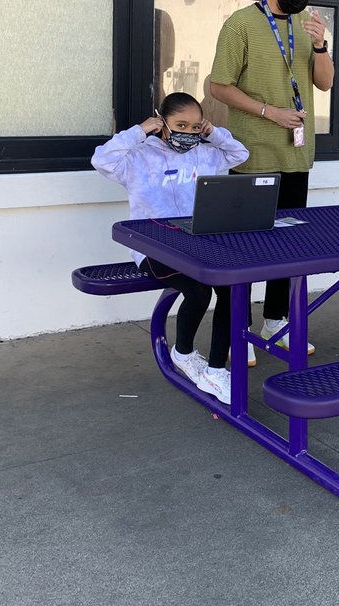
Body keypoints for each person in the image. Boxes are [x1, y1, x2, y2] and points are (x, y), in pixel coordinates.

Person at [210, 0, 335, 365]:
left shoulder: (307, 24)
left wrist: (321, 46)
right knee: (246, 248)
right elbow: (219, 87)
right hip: (252, 153)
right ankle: (238, 331)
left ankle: (276, 321)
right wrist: (269, 112)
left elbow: (325, 84)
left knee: (289, 245)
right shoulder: (240, 24)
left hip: (296, 155)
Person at [91, 92, 250, 404]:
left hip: (197, 245)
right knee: (199, 290)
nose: (187, 133)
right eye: (180, 125)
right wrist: (140, 130)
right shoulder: (137, 158)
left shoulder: (205, 155)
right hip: (153, 248)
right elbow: (101, 159)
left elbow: (239, 153)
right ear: (161, 122)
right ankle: (184, 352)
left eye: (194, 127)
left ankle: (217, 370)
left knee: (234, 287)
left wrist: (213, 133)